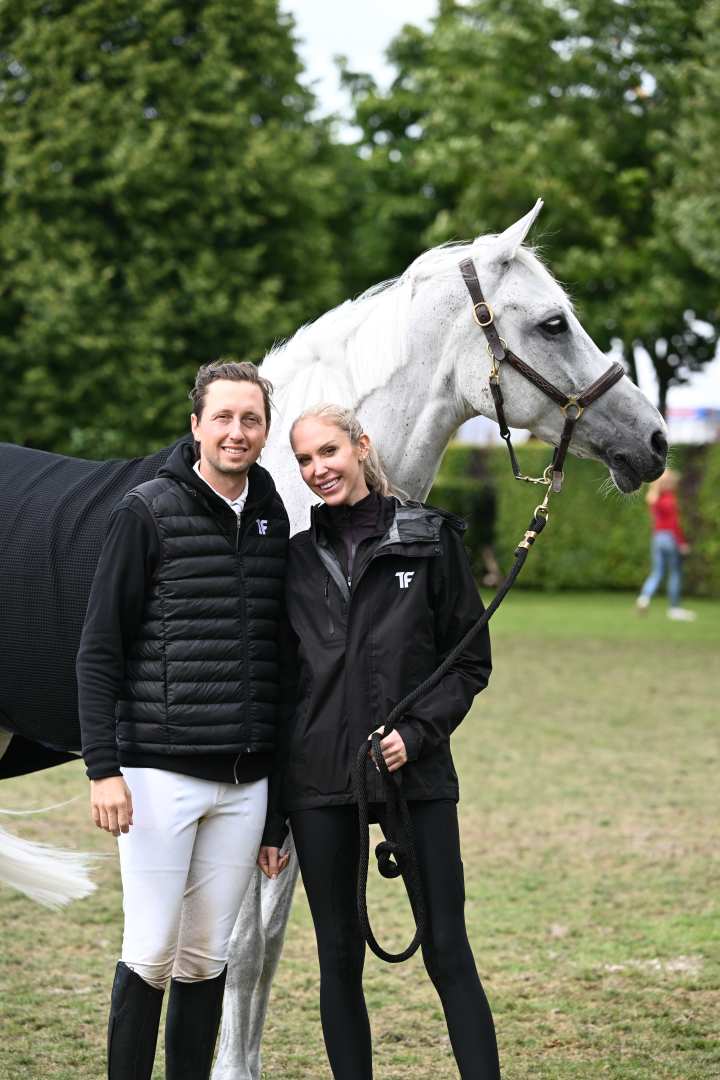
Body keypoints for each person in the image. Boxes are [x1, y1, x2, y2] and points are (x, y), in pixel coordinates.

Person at [259, 404, 501, 1079]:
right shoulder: (295, 561)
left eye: (329, 452)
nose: (318, 470)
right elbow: (283, 692)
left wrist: (417, 734)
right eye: (305, 460)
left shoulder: (429, 540)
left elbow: (469, 661)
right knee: (338, 957)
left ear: (362, 447)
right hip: (319, 781)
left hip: (415, 776)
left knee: (447, 947)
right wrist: (276, 818)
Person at [77, 360, 290, 1080]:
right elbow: (99, 649)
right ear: (196, 425)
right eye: (223, 417)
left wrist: (275, 813)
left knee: (206, 959)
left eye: (251, 419)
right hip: (158, 776)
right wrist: (104, 770)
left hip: (246, 784)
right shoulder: (146, 511)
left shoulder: (271, 516)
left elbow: (280, 665)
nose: (237, 431)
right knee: (150, 952)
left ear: (265, 431)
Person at [636, 468, 696, 621]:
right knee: (675, 573)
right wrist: (681, 542)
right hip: (669, 538)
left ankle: (644, 599)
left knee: (657, 572)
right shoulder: (669, 499)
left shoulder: (654, 498)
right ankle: (674, 608)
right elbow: (674, 524)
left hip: (657, 538)